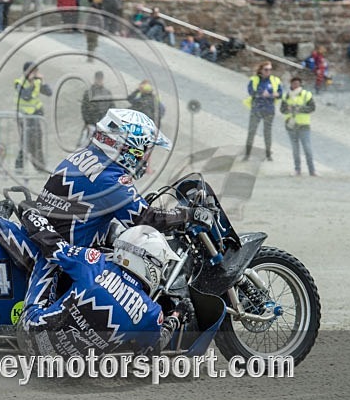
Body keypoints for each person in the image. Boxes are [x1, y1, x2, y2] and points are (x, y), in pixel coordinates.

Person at [17, 108, 214, 310]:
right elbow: (145, 219)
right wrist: (189, 214)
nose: (146, 159)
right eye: (145, 151)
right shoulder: (110, 177)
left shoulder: (83, 155)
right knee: (137, 269)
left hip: (51, 233)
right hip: (69, 253)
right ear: (129, 149)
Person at [16, 209, 194, 357]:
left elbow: (54, 247)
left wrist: (32, 215)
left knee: (49, 258)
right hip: (65, 371)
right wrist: (176, 317)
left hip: (27, 338)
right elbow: (149, 352)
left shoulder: (96, 263)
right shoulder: (152, 313)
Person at [14, 62, 52, 171]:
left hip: (35, 116)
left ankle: (40, 166)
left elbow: (49, 92)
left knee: (38, 141)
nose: (36, 73)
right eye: (34, 71)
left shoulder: (36, 82)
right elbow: (26, 96)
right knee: (26, 142)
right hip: (24, 117)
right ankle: (20, 165)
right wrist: (31, 83)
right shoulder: (19, 82)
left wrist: (42, 82)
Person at [243, 62, 282, 162]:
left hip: (269, 109)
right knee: (252, 131)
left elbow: (280, 93)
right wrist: (260, 94)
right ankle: (247, 153)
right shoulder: (255, 79)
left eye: (270, 69)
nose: (268, 71)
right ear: (261, 70)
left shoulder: (275, 80)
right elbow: (251, 91)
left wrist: (275, 94)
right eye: (266, 69)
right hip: (256, 108)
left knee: (267, 132)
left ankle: (268, 154)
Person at [280, 77, 317, 177]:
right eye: (294, 83)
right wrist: (289, 109)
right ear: (291, 84)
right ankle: (297, 169)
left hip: (304, 124)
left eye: (297, 83)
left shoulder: (306, 95)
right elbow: (282, 110)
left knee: (307, 148)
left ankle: (312, 170)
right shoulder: (286, 96)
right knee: (295, 149)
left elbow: (312, 108)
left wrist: (300, 109)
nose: (295, 85)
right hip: (291, 125)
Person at [79, 71, 114, 147]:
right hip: (91, 124)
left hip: (103, 126)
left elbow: (112, 108)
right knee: (84, 146)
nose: (99, 81)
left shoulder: (107, 93)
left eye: (100, 79)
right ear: (95, 79)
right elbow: (84, 109)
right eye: (98, 79)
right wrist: (88, 122)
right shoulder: (89, 93)